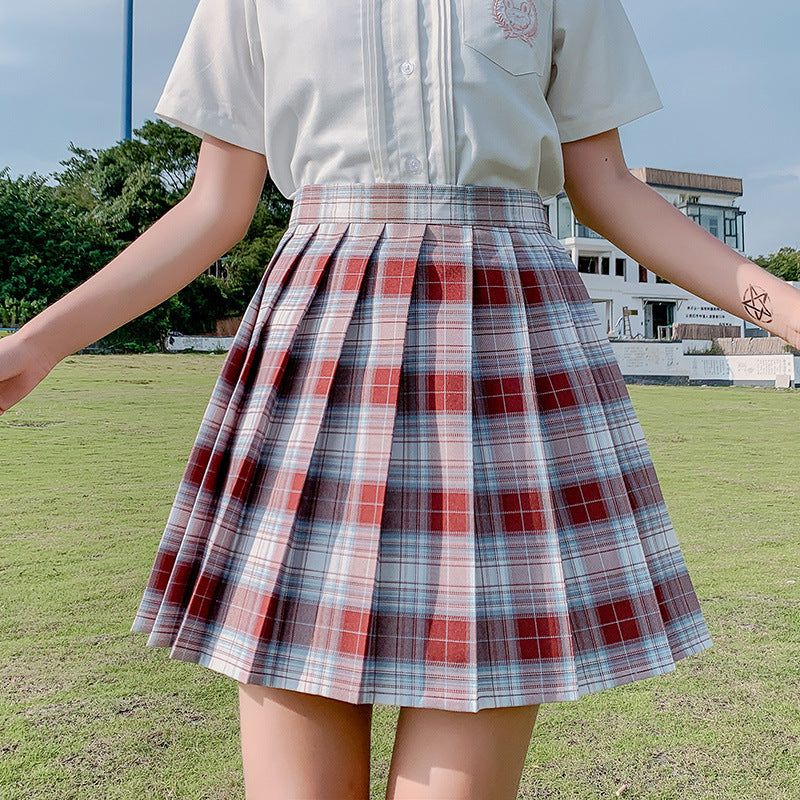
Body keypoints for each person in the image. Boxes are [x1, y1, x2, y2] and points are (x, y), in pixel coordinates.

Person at [1, 1, 798, 798]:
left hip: (503, 379)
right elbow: (214, 208)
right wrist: (35, 344)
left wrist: (787, 312)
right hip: (319, 369)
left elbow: (608, 187)